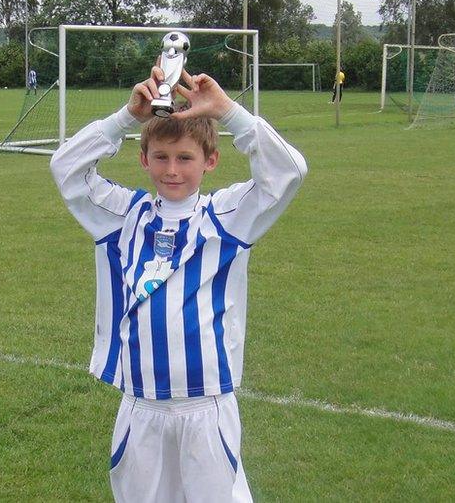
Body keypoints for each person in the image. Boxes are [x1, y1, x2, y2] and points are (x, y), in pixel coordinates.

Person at [49, 66, 307, 503]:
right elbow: (66, 168)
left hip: (204, 404)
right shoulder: (123, 215)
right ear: (144, 158)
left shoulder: (226, 216)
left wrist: (227, 112)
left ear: (210, 161)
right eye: (162, 157)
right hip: (140, 404)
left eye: (185, 158)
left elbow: (289, 171)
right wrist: (127, 118)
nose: (172, 170)